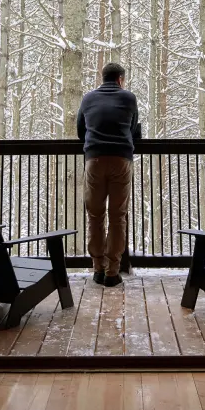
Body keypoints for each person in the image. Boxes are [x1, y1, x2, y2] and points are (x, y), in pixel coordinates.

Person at [76, 62, 141, 287]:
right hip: (121, 159)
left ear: (102, 78)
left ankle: (97, 268)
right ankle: (113, 271)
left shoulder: (88, 99)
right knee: (117, 215)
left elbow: (80, 131)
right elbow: (132, 129)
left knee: (95, 215)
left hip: (94, 160)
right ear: (120, 79)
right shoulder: (129, 98)